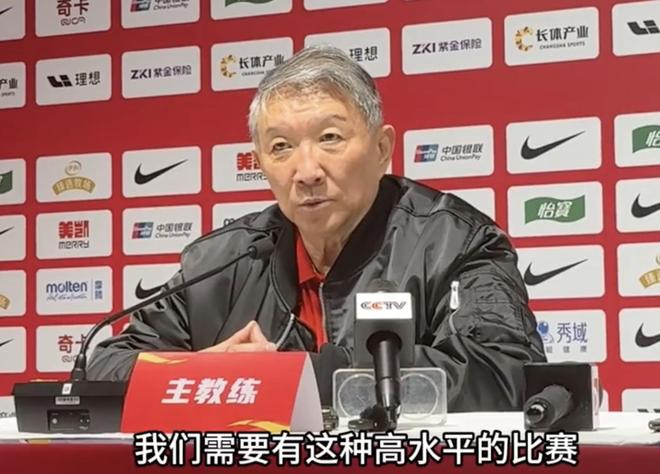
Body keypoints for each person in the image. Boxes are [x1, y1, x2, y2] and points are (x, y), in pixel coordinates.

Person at [88, 45, 545, 411]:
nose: (306, 171)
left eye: (330, 138)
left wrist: (296, 378)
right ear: (259, 162)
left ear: (382, 148)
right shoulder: (221, 261)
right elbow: (106, 367)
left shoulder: (454, 242)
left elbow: (505, 371)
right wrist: (206, 372)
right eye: (281, 147)